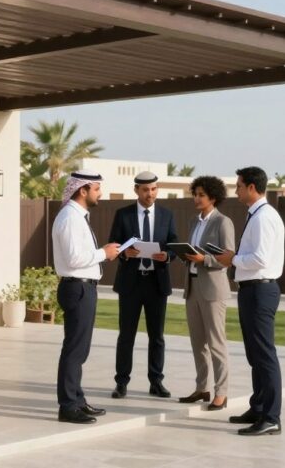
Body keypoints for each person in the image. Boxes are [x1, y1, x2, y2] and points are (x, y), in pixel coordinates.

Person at [215, 166, 285, 436]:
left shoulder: (264, 217)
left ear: (252, 188)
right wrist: (234, 256)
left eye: (239, 186)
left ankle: (271, 416)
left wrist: (231, 259)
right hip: (251, 289)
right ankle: (258, 407)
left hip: (260, 290)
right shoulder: (257, 215)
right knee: (255, 354)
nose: (236, 191)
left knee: (264, 354)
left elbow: (261, 259)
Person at [53, 170, 121, 424]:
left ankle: (77, 400)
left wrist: (103, 253)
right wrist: (104, 253)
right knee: (74, 349)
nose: (100, 193)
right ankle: (68, 406)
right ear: (83, 190)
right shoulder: (70, 217)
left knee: (79, 349)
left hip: (83, 287)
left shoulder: (76, 216)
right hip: (77, 287)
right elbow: (74, 259)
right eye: (96, 188)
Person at [107, 171, 178, 399]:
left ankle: (156, 382)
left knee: (156, 336)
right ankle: (121, 383)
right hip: (131, 284)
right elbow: (115, 246)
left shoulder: (167, 215)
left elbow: (174, 244)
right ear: (136, 190)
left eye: (154, 189)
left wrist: (166, 256)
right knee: (126, 335)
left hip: (157, 283)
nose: (151, 193)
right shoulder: (123, 215)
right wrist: (125, 253)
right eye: (146, 190)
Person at [176, 175, 235, 412]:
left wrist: (204, 259)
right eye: (195, 194)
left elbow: (229, 257)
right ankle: (202, 387)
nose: (196, 198)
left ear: (213, 197)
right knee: (197, 342)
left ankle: (222, 392)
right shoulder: (193, 221)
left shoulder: (223, 222)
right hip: (192, 287)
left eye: (201, 194)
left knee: (216, 344)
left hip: (213, 290)